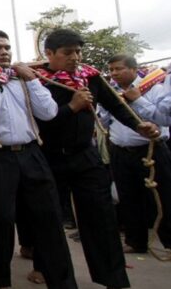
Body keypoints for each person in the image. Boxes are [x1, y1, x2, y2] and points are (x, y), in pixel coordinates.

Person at [36, 29, 159, 289]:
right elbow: (40, 121)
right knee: (49, 222)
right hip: (49, 159)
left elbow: (117, 106)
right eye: (67, 53)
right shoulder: (37, 81)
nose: (75, 57)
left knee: (102, 217)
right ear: (49, 54)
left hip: (85, 156)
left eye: (78, 51)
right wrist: (72, 107)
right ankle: (57, 280)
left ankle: (114, 279)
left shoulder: (88, 77)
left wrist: (140, 125)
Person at [0, 30, 77, 289]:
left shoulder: (22, 78)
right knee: (0, 221)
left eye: (7, 47)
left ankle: (62, 282)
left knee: (48, 218)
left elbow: (48, 113)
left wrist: (33, 81)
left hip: (31, 153)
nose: (4, 52)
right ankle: (0, 280)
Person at [102, 54, 171, 254]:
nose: (114, 73)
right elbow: (103, 122)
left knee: (163, 196)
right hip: (121, 152)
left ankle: (168, 241)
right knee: (128, 198)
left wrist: (138, 100)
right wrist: (109, 106)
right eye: (112, 70)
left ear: (133, 69)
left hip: (151, 150)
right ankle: (135, 241)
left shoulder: (155, 88)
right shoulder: (111, 91)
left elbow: (164, 119)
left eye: (119, 69)